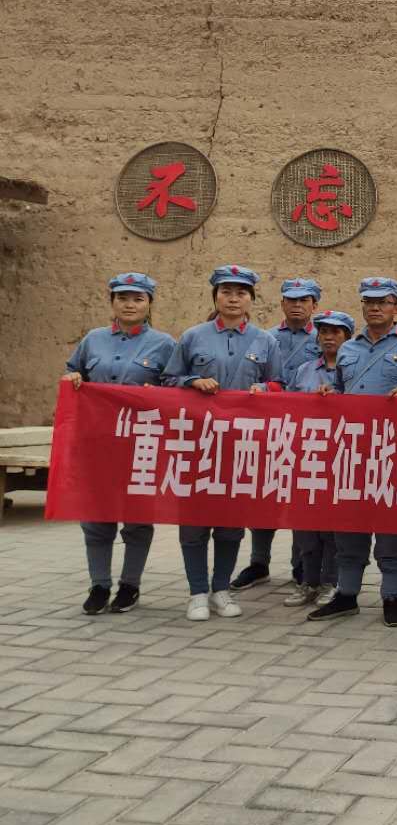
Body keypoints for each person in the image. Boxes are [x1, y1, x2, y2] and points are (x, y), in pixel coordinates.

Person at [307, 277, 397, 627]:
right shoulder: (349, 348)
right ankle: (347, 593)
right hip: (351, 451)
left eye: (383, 302)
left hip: (392, 452)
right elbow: (340, 389)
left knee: (391, 526)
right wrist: (329, 395)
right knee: (348, 525)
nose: (375, 307)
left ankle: (392, 595)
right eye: (369, 302)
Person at [163, 265, 283, 622]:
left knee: (231, 523)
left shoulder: (265, 340)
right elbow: (169, 379)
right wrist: (192, 381)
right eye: (226, 292)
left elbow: (280, 384)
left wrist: (265, 389)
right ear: (215, 297)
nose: (233, 299)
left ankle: (221, 590)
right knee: (194, 523)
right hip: (197, 443)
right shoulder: (193, 337)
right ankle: (197, 592)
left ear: (251, 299)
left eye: (241, 293)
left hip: (241, 446)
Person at [63, 272, 175, 616]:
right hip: (97, 443)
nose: (129, 305)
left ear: (149, 304)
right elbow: (73, 372)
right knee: (96, 517)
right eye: (122, 298)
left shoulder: (164, 344)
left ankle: (130, 585)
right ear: (111, 302)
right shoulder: (93, 340)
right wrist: (72, 378)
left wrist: (158, 393)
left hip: (141, 444)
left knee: (137, 517)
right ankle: (99, 585)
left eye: (138, 299)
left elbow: (175, 389)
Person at [233, 277, 322, 594]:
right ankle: (259, 562)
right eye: (291, 299)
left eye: (304, 300)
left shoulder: (327, 336)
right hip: (268, 429)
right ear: (282, 303)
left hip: (309, 431)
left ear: (314, 305)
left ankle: (301, 564)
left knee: (301, 498)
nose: (297, 305)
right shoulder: (264, 338)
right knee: (263, 496)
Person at [274, 309, 353, 608]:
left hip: (339, 458)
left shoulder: (352, 370)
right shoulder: (304, 370)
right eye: (324, 332)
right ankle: (307, 581)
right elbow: (288, 407)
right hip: (305, 456)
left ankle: (330, 582)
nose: (329, 337)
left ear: (347, 337)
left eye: (336, 332)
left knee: (331, 527)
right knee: (304, 525)